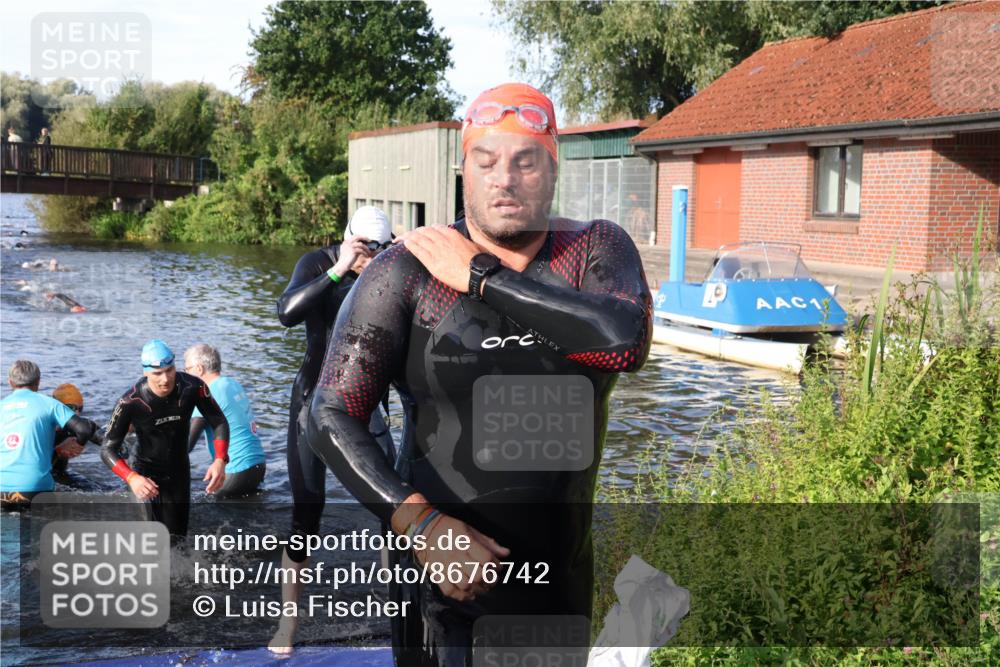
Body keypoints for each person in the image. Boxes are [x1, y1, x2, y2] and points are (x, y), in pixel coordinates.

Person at [307, 83, 652, 666]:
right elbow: (331, 413)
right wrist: (423, 525)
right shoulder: (406, 271)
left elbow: (623, 343)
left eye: (526, 161)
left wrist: (482, 277)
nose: (505, 179)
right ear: (463, 169)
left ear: (553, 167)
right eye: (486, 162)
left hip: (556, 580)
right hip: (438, 578)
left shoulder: (595, 249)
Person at [269, 205, 398, 654]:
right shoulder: (319, 262)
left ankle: (396, 606)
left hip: (366, 405)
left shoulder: (391, 268)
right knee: (307, 514)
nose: (370, 256)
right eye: (363, 247)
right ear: (347, 239)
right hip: (313, 400)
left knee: (393, 509)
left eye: (378, 248)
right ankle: (288, 623)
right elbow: (285, 312)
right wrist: (342, 268)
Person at [99, 340, 230, 540]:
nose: (165, 379)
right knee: (150, 539)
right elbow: (107, 449)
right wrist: (131, 478)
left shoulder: (192, 387)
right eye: (157, 373)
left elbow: (219, 422)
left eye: (169, 370)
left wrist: (220, 459)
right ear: (145, 373)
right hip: (144, 473)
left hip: (178, 471)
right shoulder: (130, 402)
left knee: (177, 539)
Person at [0, 361, 99, 508]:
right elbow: (85, 429)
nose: (75, 411)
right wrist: (77, 445)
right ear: (38, 381)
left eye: (78, 408)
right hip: (37, 489)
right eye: (71, 408)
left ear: (10, 382)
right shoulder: (50, 405)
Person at [184, 344, 266, 498]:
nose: (186, 375)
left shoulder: (208, 393)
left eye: (187, 369)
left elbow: (188, 443)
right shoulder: (233, 384)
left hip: (235, 470)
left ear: (199, 369)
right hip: (258, 465)